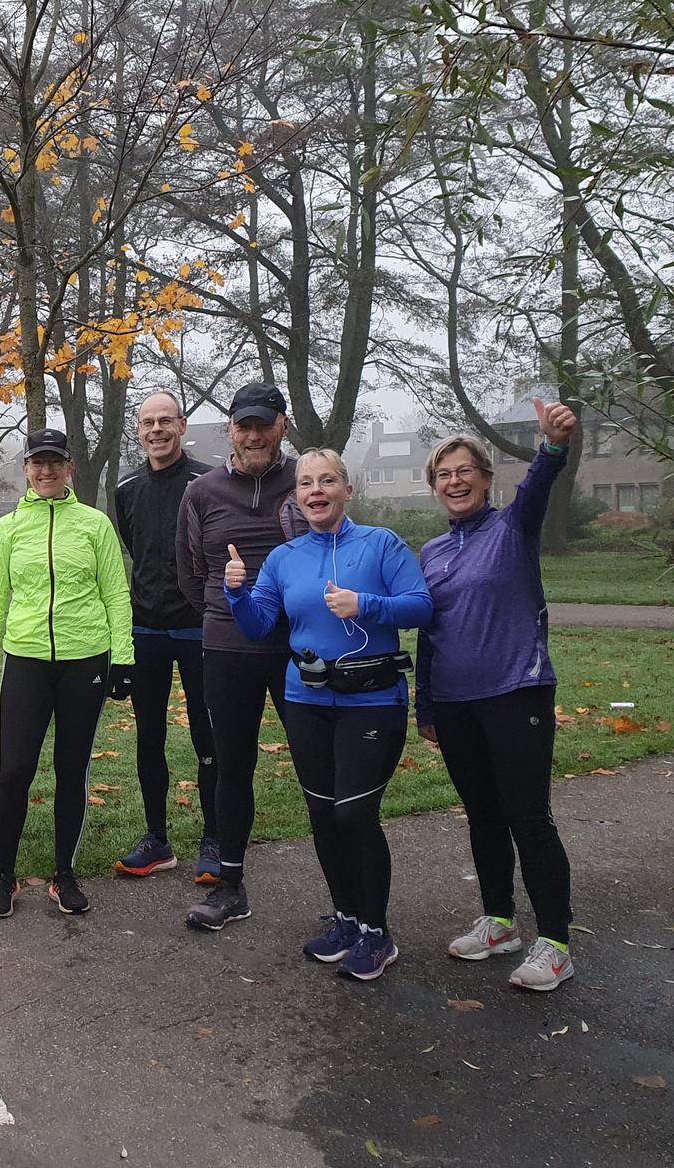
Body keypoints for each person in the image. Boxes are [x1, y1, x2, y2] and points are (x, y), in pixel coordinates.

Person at [224, 449, 432, 980]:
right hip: (307, 699)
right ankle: (346, 920)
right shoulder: (284, 558)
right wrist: (236, 592)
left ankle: (377, 932)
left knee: (353, 815)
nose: (316, 491)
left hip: (372, 699)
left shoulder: (380, 544)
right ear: (296, 496)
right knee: (322, 814)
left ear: (347, 490)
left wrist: (368, 605)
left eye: (328, 482)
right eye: (306, 484)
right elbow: (257, 625)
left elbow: (422, 605)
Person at [418, 399, 582, 991]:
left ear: (487, 480)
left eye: (465, 471)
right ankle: (499, 921)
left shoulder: (513, 529)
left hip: (517, 692)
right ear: (435, 487)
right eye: (443, 474)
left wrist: (553, 444)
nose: (454, 481)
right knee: (482, 815)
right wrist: (426, 705)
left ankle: (556, 941)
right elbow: (428, 633)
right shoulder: (431, 554)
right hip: (456, 704)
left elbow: (540, 483)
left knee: (528, 817)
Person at [0, 428, 135, 918]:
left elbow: (115, 595)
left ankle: (65, 874)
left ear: (70, 468)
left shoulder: (95, 525)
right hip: (25, 661)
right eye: (37, 463)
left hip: (86, 659)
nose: (46, 471)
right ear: (25, 469)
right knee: (16, 769)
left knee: (71, 769)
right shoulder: (7, 529)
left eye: (55, 463)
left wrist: (123, 659)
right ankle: (4, 875)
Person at [179, 381, 301, 931]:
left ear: (283, 426)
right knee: (233, 767)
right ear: (230, 429)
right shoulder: (202, 493)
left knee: (318, 770)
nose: (254, 435)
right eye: (243, 425)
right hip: (226, 648)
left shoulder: (306, 482)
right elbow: (191, 575)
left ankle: (348, 902)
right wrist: (229, 603)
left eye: (264, 424)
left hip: (299, 649)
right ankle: (230, 886)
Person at [112, 392, 218, 879]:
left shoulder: (207, 482)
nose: (156, 430)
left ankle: (215, 839)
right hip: (145, 629)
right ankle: (158, 838)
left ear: (182, 425)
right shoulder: (127, 486)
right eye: (147, 423)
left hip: (198, 627)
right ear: (139, 430)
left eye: (165, 421)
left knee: (207, 734)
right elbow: (137, 548)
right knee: (148, 737)